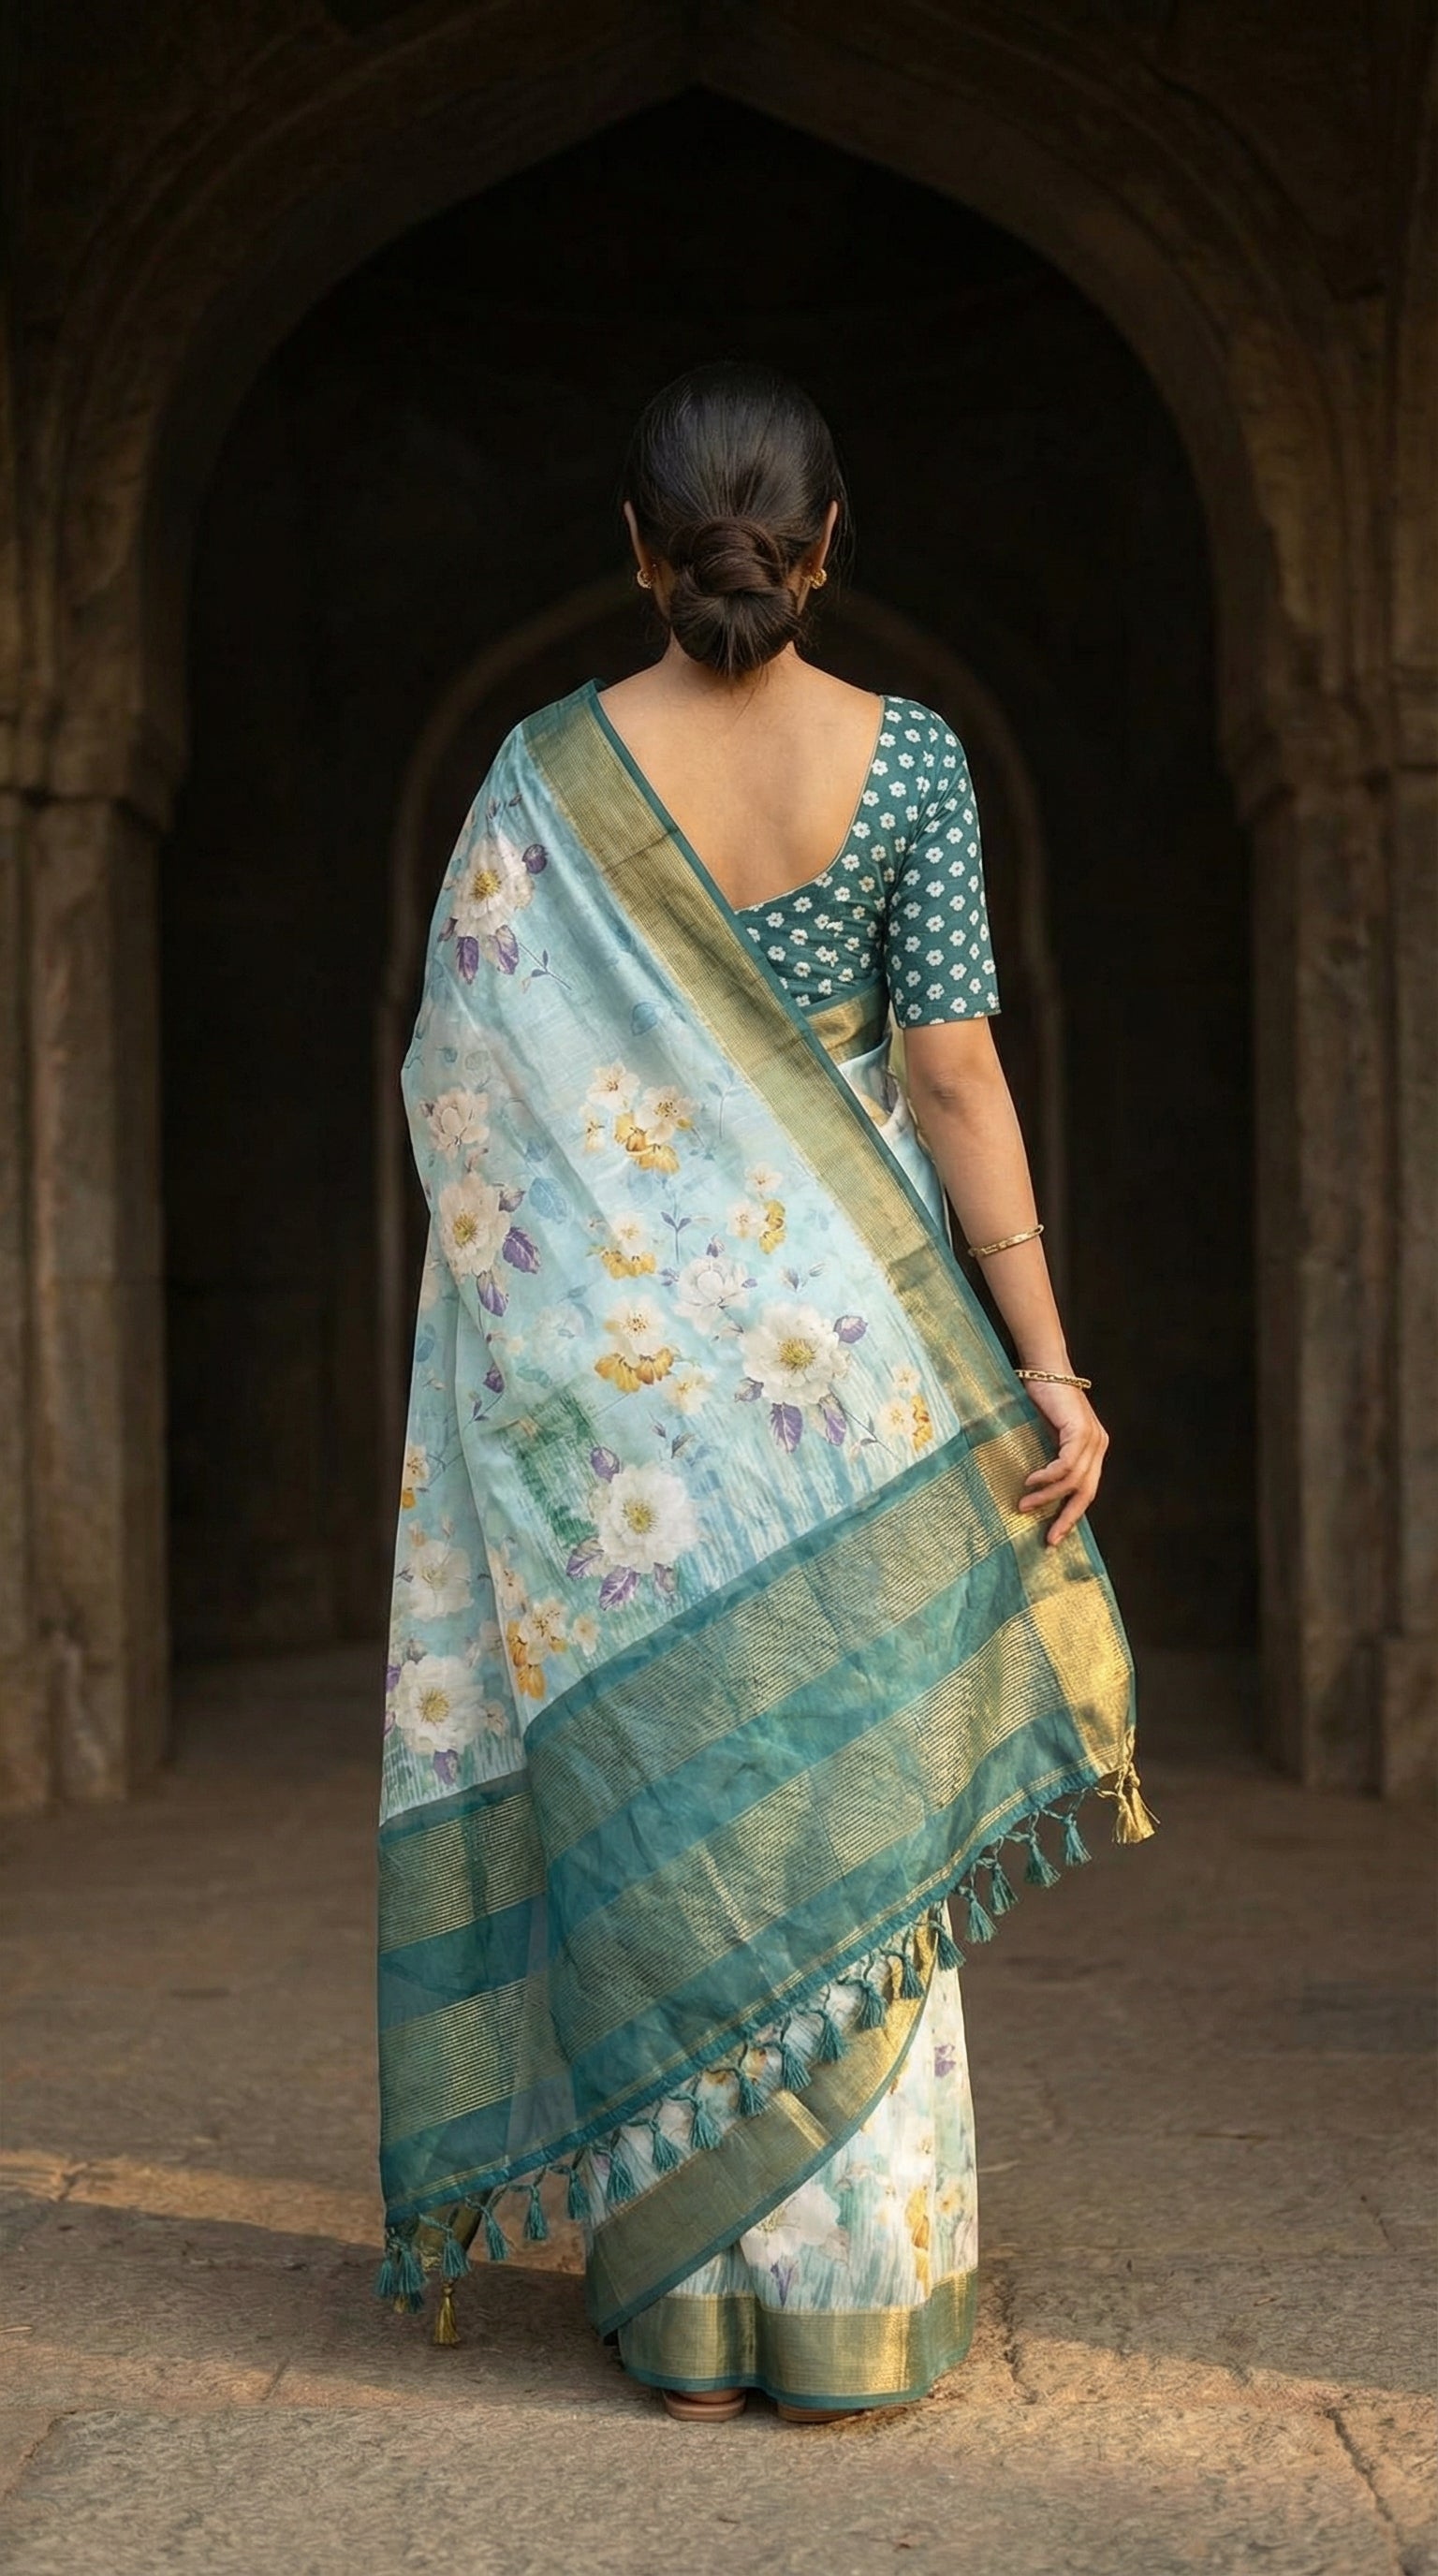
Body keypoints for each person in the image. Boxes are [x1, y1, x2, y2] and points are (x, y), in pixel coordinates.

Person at [374, 361, 1152, 2423]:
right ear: (829, 548)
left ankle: (693, 2323)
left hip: (624, 1408)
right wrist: (1046, 1360)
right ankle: (840, 2310)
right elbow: (958, 1075)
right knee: (846, 1786)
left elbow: (464, 1092)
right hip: (860, 1370)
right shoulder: (910, 761)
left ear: (637, 550)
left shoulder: (543, 769)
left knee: (671, 1814)